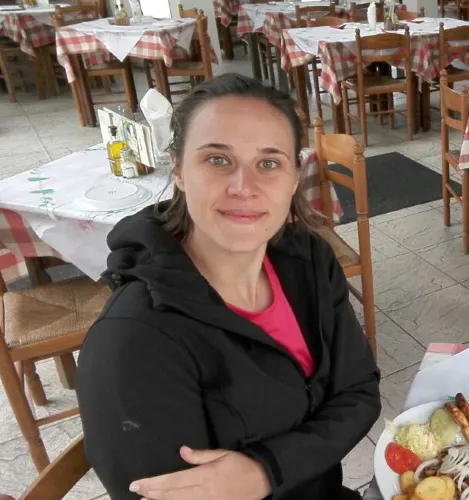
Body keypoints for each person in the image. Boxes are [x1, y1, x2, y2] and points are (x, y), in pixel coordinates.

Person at [75, 74, 380, 500]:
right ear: (179, 170)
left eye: (269, 163)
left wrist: (267, 471)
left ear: (295, 177)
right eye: (218, 159)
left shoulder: (307, 259)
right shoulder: (133, 343)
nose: (243, 187)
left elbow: (360, 392)